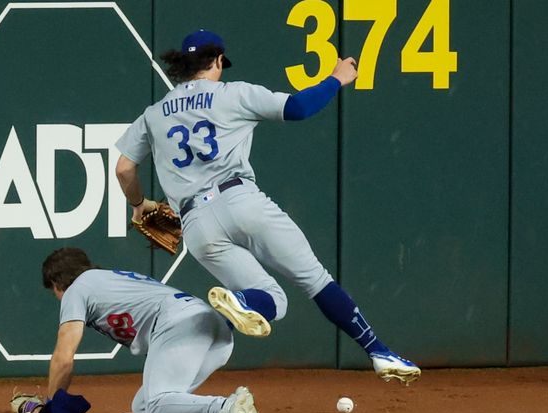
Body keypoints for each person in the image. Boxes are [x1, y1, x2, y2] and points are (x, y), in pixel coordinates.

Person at [114, 29, 420, 384]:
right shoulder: (235, 93)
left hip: (196, 224)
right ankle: (378, 352)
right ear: (216, 61)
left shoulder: (154, 114)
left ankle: (243, 301)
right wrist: (336, 79)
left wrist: (139, 205)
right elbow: (299, 108)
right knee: (315, 280)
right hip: (240, 200)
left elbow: (124, 168)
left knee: (272, 300)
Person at [12, 247, 258, 413]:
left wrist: (52, 404)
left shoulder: (76, 289)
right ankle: (197, 408)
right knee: (144, 409)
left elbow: (63, 357)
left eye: (53, 290)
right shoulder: (106, 279)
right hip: (212, 327)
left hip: (179, 323)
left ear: (56, 282)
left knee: (155, 405)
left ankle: (226, 406)